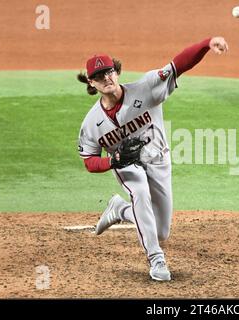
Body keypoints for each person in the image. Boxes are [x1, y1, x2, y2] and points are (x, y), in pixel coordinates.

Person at [77, 36, 229, 281]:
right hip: (127, 166)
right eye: (98, 76)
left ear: (116, 71)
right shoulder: (91, 124)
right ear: (91, 83)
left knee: (161, 231)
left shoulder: (146, 87)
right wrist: (113, 161)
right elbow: (89, 161)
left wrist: (206, 44)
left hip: (159, 159)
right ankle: (156, 260)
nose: (106, 78)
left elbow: (179, 65)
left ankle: (120, 210)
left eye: (109, 72)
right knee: (140, 193)